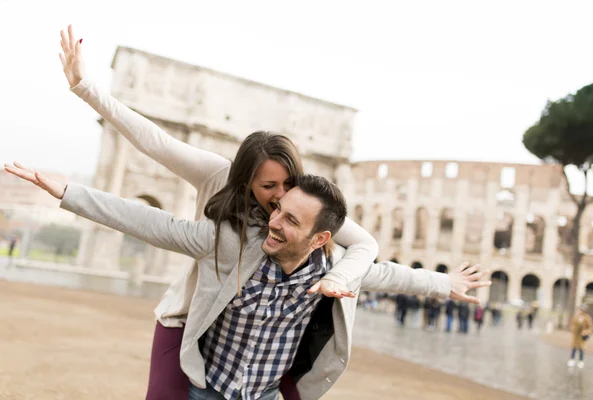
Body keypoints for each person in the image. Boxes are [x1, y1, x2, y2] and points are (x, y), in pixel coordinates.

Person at [57, 25, 379, 400]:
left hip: (248, 338)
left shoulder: (304, 200)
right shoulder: (217, 175)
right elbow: (155, 142)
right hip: (189, 314)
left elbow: (365, 247)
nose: (280, 198)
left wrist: (339, 276)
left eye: (286, 184)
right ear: (245, 182)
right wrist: (85, 87)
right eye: (267, 187)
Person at [5, 164, 491, 400]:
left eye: (291, 220)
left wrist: (442, 285)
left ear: (322, 237)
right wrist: (69, 192)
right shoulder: (234, 244)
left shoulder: (332, 273)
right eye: (277, 208)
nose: (274, 221)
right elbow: (151, 222)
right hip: (205, 389)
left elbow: (387, 274)